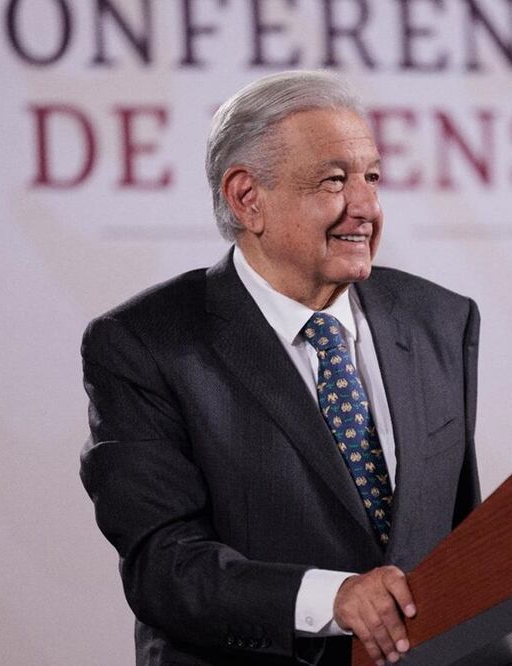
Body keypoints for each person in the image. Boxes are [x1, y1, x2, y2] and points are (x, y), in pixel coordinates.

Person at [80, 70, 480, 666]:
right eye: (334, 181)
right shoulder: (146, 343)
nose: (366, 207)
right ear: (247, 197)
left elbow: (459, 532)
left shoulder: (439, 319)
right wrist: (332, 597)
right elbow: (164, 566)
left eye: (372, 177)